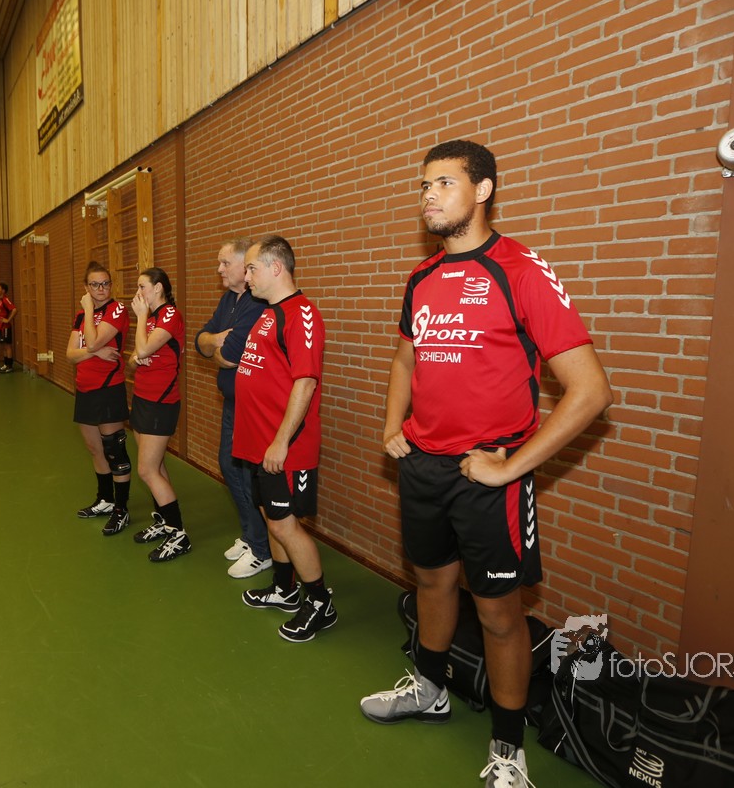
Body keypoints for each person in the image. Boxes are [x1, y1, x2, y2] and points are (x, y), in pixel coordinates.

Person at [358, 140, 612, 788]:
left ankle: (508, 750)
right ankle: (429, 689)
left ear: (484, 189)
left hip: (488, 476)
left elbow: (590, 391)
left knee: (500, 615)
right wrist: (392, 425)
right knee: (432, 585)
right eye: (424, 185)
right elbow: (405, 359)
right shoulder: (421, 278)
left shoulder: (520, 269)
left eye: (444, 182)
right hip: (423, 468)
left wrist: (510, 466)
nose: (429, 195)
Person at [234, 235, 335, 643]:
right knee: (271, 519)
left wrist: (280, 442)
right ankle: (284, 588)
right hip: (259, 445)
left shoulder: (301, 314)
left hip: (285, 448)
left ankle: (320, 602)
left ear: (276, 268)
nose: (246, 276)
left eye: (252, 268)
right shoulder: (267, 313)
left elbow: (305, 382)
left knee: (286, 525)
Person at [194, 239, 271, 579]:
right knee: (229, 465)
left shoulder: (257, 303)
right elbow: (201, 339)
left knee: (245, 474)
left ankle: (261, 549)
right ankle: (251, 535)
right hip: (232, 401)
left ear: (244, 266)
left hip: (252, 405)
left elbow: (231, 355)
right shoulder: (228, 299)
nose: (219, 270)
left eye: (225, 263)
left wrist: (216, 347)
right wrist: (213, 340)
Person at [127, 268, 191, 562]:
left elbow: (142, 349)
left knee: (146, 470)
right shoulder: (152, 318)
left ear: (158, 288)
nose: (138, 292)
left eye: (142, 286)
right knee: (156, 466)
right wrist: (138, 355)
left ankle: (179, 535)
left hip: (161, 401)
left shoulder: (169, 315)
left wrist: (141, 320)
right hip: (142, 397)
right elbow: (133, 359)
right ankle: (166, 521)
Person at [65, 262, 132, 535]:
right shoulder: (81, 316)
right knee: (95, 448)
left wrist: (91, 312)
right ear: (86, 287)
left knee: (114, 450)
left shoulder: (117, 309)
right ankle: (105, 500)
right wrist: (95, 352)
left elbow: (91, 342)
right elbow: (71, 354)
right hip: (85, 388)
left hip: (108, 388)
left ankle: (121, 509)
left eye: (105, 283)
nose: (101, 288)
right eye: (95, 284)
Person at [0, 282, 18, 373]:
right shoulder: (0, 301)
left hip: (5, 327)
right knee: (3, 346)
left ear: (3, 291)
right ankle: (5, 364)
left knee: (7, 346)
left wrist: (8, 320)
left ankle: (10, 366)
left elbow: (14, 310)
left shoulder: (5, 299)